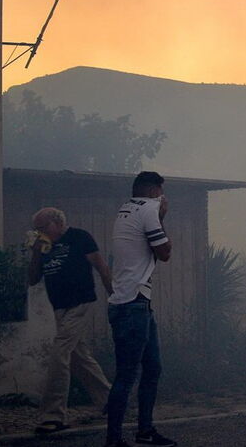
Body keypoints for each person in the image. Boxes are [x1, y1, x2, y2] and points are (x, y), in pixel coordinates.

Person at [105, 172, 177, 447]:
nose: (162, 197)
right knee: (128, 375)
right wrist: (161, 216)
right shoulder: (149, 209)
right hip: (133, 303)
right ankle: (114, 440)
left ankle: (145, 431)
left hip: (133, 302)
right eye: (160, 191)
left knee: (152, 368)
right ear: (151, 189)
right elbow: (165, 253)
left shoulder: (125, 209)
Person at [27, 207, 112, 435]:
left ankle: (52, 416)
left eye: (42, 227)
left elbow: (102, 267)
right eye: (36, 229)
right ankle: (111, 401)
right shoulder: (44, 247)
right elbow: (33, 279)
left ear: (57, 222)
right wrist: (36, 252)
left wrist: (114, 296)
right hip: (59, 307)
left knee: (59, 353)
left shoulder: (79, 237)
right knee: (78, 357)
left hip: (80, 303)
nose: (40, 232)